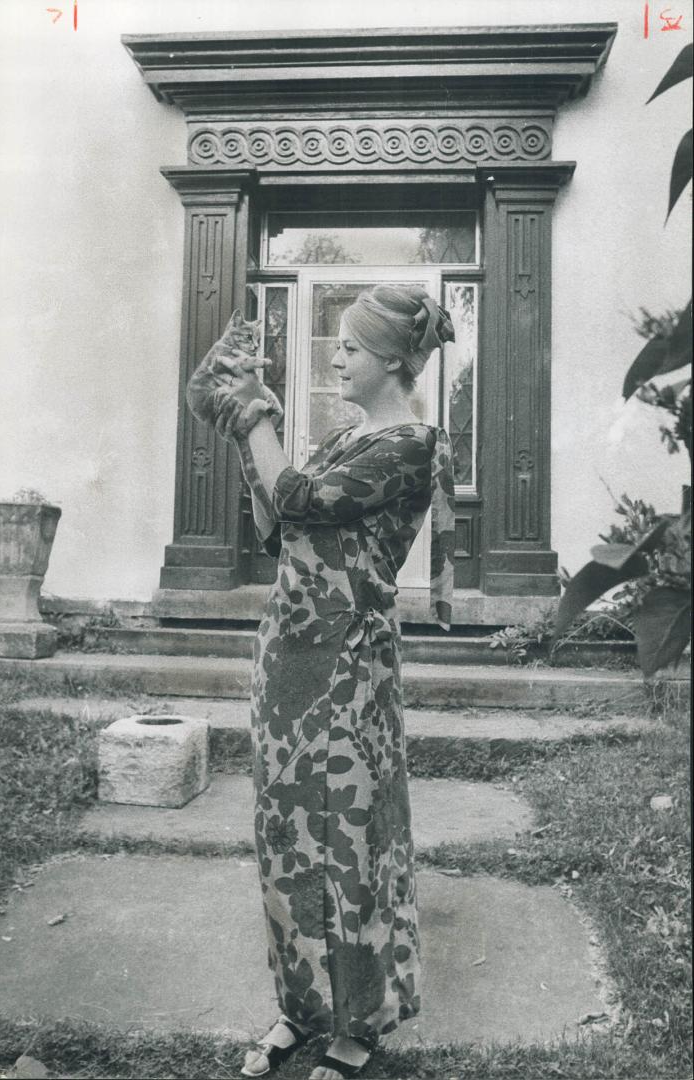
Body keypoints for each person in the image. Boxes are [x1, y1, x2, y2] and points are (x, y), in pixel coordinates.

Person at [187, 284, 456, 1080]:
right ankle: (301, 1007)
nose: (336, 356)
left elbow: (300, 497)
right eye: (336, 343)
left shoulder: (412, 446)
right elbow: (277, 524)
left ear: (393, 359)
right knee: (286, 842)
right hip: (289, 656)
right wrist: (246, 423)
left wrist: (258, 415)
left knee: (347, 844)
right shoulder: (345, 439)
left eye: (350, 346)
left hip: (348, 665)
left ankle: (358, 1025)